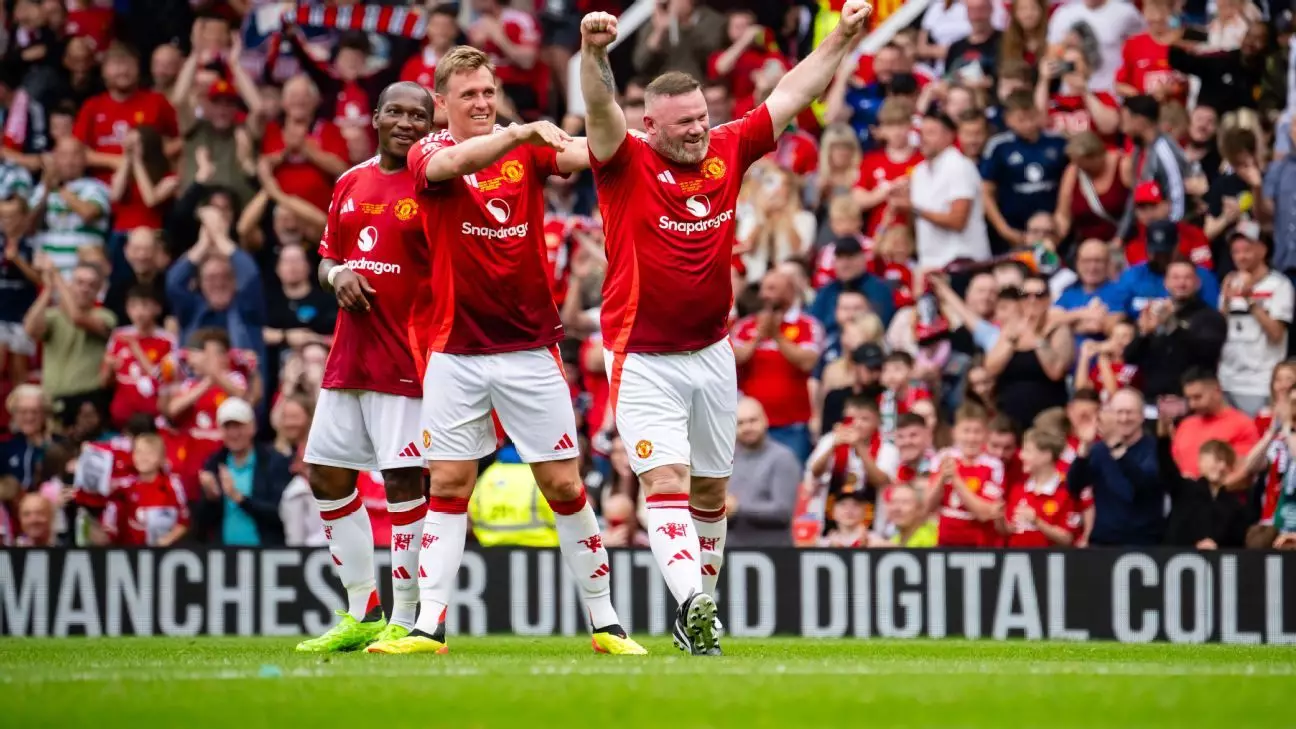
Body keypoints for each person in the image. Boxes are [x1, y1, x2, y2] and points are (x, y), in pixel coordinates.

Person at [577, 0, 873, 655]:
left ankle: (695, 617)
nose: (698, 133)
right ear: (648, 126)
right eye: (683, 125)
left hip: (712, 351)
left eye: (703, 119)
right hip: (643, 354)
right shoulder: (622, 161)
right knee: (666, 482)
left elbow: (793, 89)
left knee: (712, 490)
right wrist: (596, 56)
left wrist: (846, 36)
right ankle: (693, 599)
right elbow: (599, 111)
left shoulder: (728, 147)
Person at [367, 48, 641, 658]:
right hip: (454, 349)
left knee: (564, 485)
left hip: (529, 348)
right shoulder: (429, 152)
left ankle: (607, 624)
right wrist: (520, 131)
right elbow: (457, 163)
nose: (483, 104)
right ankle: (427, 628)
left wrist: (597, 83)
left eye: (489, 92)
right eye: (469, 95)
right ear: (441, 104)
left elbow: (593, 152)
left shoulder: (525, 148)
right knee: (450, 481)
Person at [294, 83, 437, 653]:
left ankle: (407, 616)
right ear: (375, 117)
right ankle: (364, 609)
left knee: (403, 481)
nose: (406, 121)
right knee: (326, 476)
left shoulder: (437, 182)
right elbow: (329, 253)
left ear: (432, 122)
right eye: (396, 111)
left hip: (408, 356)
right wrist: (337, 275)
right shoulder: (349, 181)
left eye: (418, 114)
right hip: (348, 356)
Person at [731, 270, 823, 462]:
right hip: (750, 426)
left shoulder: (807, 325)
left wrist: (777, 337)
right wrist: (758, 337)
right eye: (764, 288)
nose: (764, 294)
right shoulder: (746, 326)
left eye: (772, 288)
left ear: (790, 291)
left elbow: (808, 361)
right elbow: (733, 360)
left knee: (790, 483)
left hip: (792, 427)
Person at [1123, 256, 1227, 407]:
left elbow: (1207, 354)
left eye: (1187, 278)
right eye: (1175, 277)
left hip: (1192, 403)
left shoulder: (1211, 317)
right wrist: (1143, 334)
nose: (1181, 283)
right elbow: (1130, 358)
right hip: (1153, 402)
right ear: (1166, 282)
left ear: (1197, 283)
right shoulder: (1154, 313)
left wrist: (1173, 325)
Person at [1068, 388, 1164, 545]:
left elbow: (1142, 486)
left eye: (1130, 412)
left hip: (1143, 544)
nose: (1124, 418)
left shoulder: (1154, 449)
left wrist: (1116, 446)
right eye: (1119, 412)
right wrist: (1084, 446)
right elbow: (1074, 486)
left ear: (1141, 416)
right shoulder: (1098, 450)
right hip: (1103, 543)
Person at [22, 261, 115, 420]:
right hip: (52, 399)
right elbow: (29, 329)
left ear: (99, 289)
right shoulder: (54, 316)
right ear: (71, 284)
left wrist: (57, 277)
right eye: (79, 282)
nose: (85, 289)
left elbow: (77, 318)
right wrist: (48, 290)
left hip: (87, 400)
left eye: (91, 285)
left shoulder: (105, 316)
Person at [899, 111, 990, 269]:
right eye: (921, 133)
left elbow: (958, 221)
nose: (924, 139)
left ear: (949, 136)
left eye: (931, 133)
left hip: (963, 260)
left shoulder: (959, 166)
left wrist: (915, 210)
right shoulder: (919, 171)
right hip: (929, 262)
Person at [194, 398, 291, 546]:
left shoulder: (274, 462)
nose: (234, 433)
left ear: (253, 427)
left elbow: (282, 513)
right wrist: (210, 498)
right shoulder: (213, 464)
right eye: (228, 427)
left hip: (266, 556)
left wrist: (239, 498)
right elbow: (201, 525)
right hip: (224, 558)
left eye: (239, 426)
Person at [1219, 224, 1293, 416]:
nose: (1241, 257)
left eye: (1247, 250)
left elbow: (1277, 334)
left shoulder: (1279, 285)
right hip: (1228, 380)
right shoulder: (1229, 282)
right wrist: (1226, 303)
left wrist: (1250, 300)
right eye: (1235, 251)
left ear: (1263, 249)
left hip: (1261, 382)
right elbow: (1219, 332)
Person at [981, 90, 1068, 249]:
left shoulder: (1058, 142)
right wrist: (1003, 229)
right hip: (1015, 231)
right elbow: (986, 191)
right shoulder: (999, 147)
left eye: (1032, 117)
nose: (1028, 124)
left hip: (1051, 229)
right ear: (1008, 120)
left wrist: (1062, 222)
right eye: (1021, 119)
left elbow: (1068, 185)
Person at [923, 402, 1005, 547]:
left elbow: (984, 514)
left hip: (979, 544)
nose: (971, 438)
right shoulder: (943, 457)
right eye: (966, 431)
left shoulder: (993, 465)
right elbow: (926, 507)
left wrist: (955, 479)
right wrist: (942, 478)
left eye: (977, 432)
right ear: (954, 432)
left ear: (986, 434)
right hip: (944, 542)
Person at [727, 397, 802, 547]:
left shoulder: (782, 457)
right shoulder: (727, 459)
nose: (747, 427)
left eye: (753, 420)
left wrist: (738, 508)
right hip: (731, 553)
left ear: (765, 420)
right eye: (740, 423)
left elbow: (783, 512)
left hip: (773, 554)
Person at [1116, 95, 1191, 242]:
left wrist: (1173, 233)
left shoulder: (1164, 150)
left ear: (1140, 120)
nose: (1122, 127)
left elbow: (1177, 194)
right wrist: (1120, 236)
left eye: (1125, 120)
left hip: (1170, 234)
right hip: (1148, 232)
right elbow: (1136, 195)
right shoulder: (1139, 150)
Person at [1171, 369, 1260, 479]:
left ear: (1217, 391)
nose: (1192, 404)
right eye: (1188, 398)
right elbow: (1175, 462)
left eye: (1197, 397)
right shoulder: (1185, 425)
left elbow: (1243, 472)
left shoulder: (1242, 425)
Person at [1001, 427, 1082, 547]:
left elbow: (1067, 538)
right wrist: (998, 518)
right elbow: (1009, 529)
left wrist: (1037, 521)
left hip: (1050, 562)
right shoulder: (1018, 488)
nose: (1021, 456)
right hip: (1017, 561)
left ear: (1046, 456)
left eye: (1028, 451)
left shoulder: (1066, 490)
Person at [1162, 438, 1249, 549]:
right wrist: (1164, 436)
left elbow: (1237, 545)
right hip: (1175, 560)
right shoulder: (1185, 489)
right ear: (1201, 462)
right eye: (1217, 460)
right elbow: (1166, 467)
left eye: (1226, 463)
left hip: (1219, 563)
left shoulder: (1235, 506)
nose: (1221, 467)